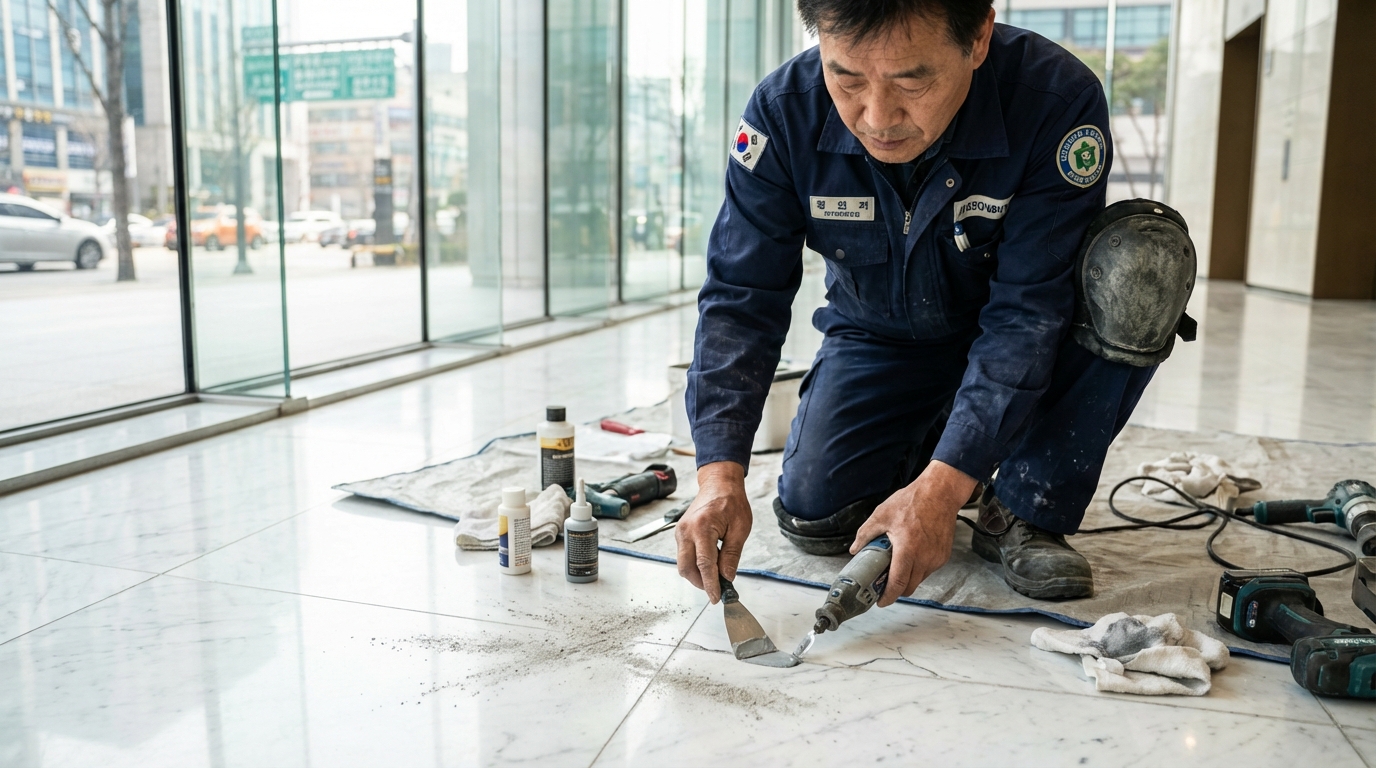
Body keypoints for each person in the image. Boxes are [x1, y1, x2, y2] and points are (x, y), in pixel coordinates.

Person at [676, 0, 1196, 608]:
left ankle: (1027, 503)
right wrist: (719, 475)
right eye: (846, 78)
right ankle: (949, 449)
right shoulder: (782, 114)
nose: (877, 117)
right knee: (818, 517)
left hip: (1036, 339)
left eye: (911, 80)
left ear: (978, 39)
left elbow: (1027, 313)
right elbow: (742, 298)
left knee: (1143, 261)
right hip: (880, 335)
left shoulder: (1054, 100)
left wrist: (945, 489)